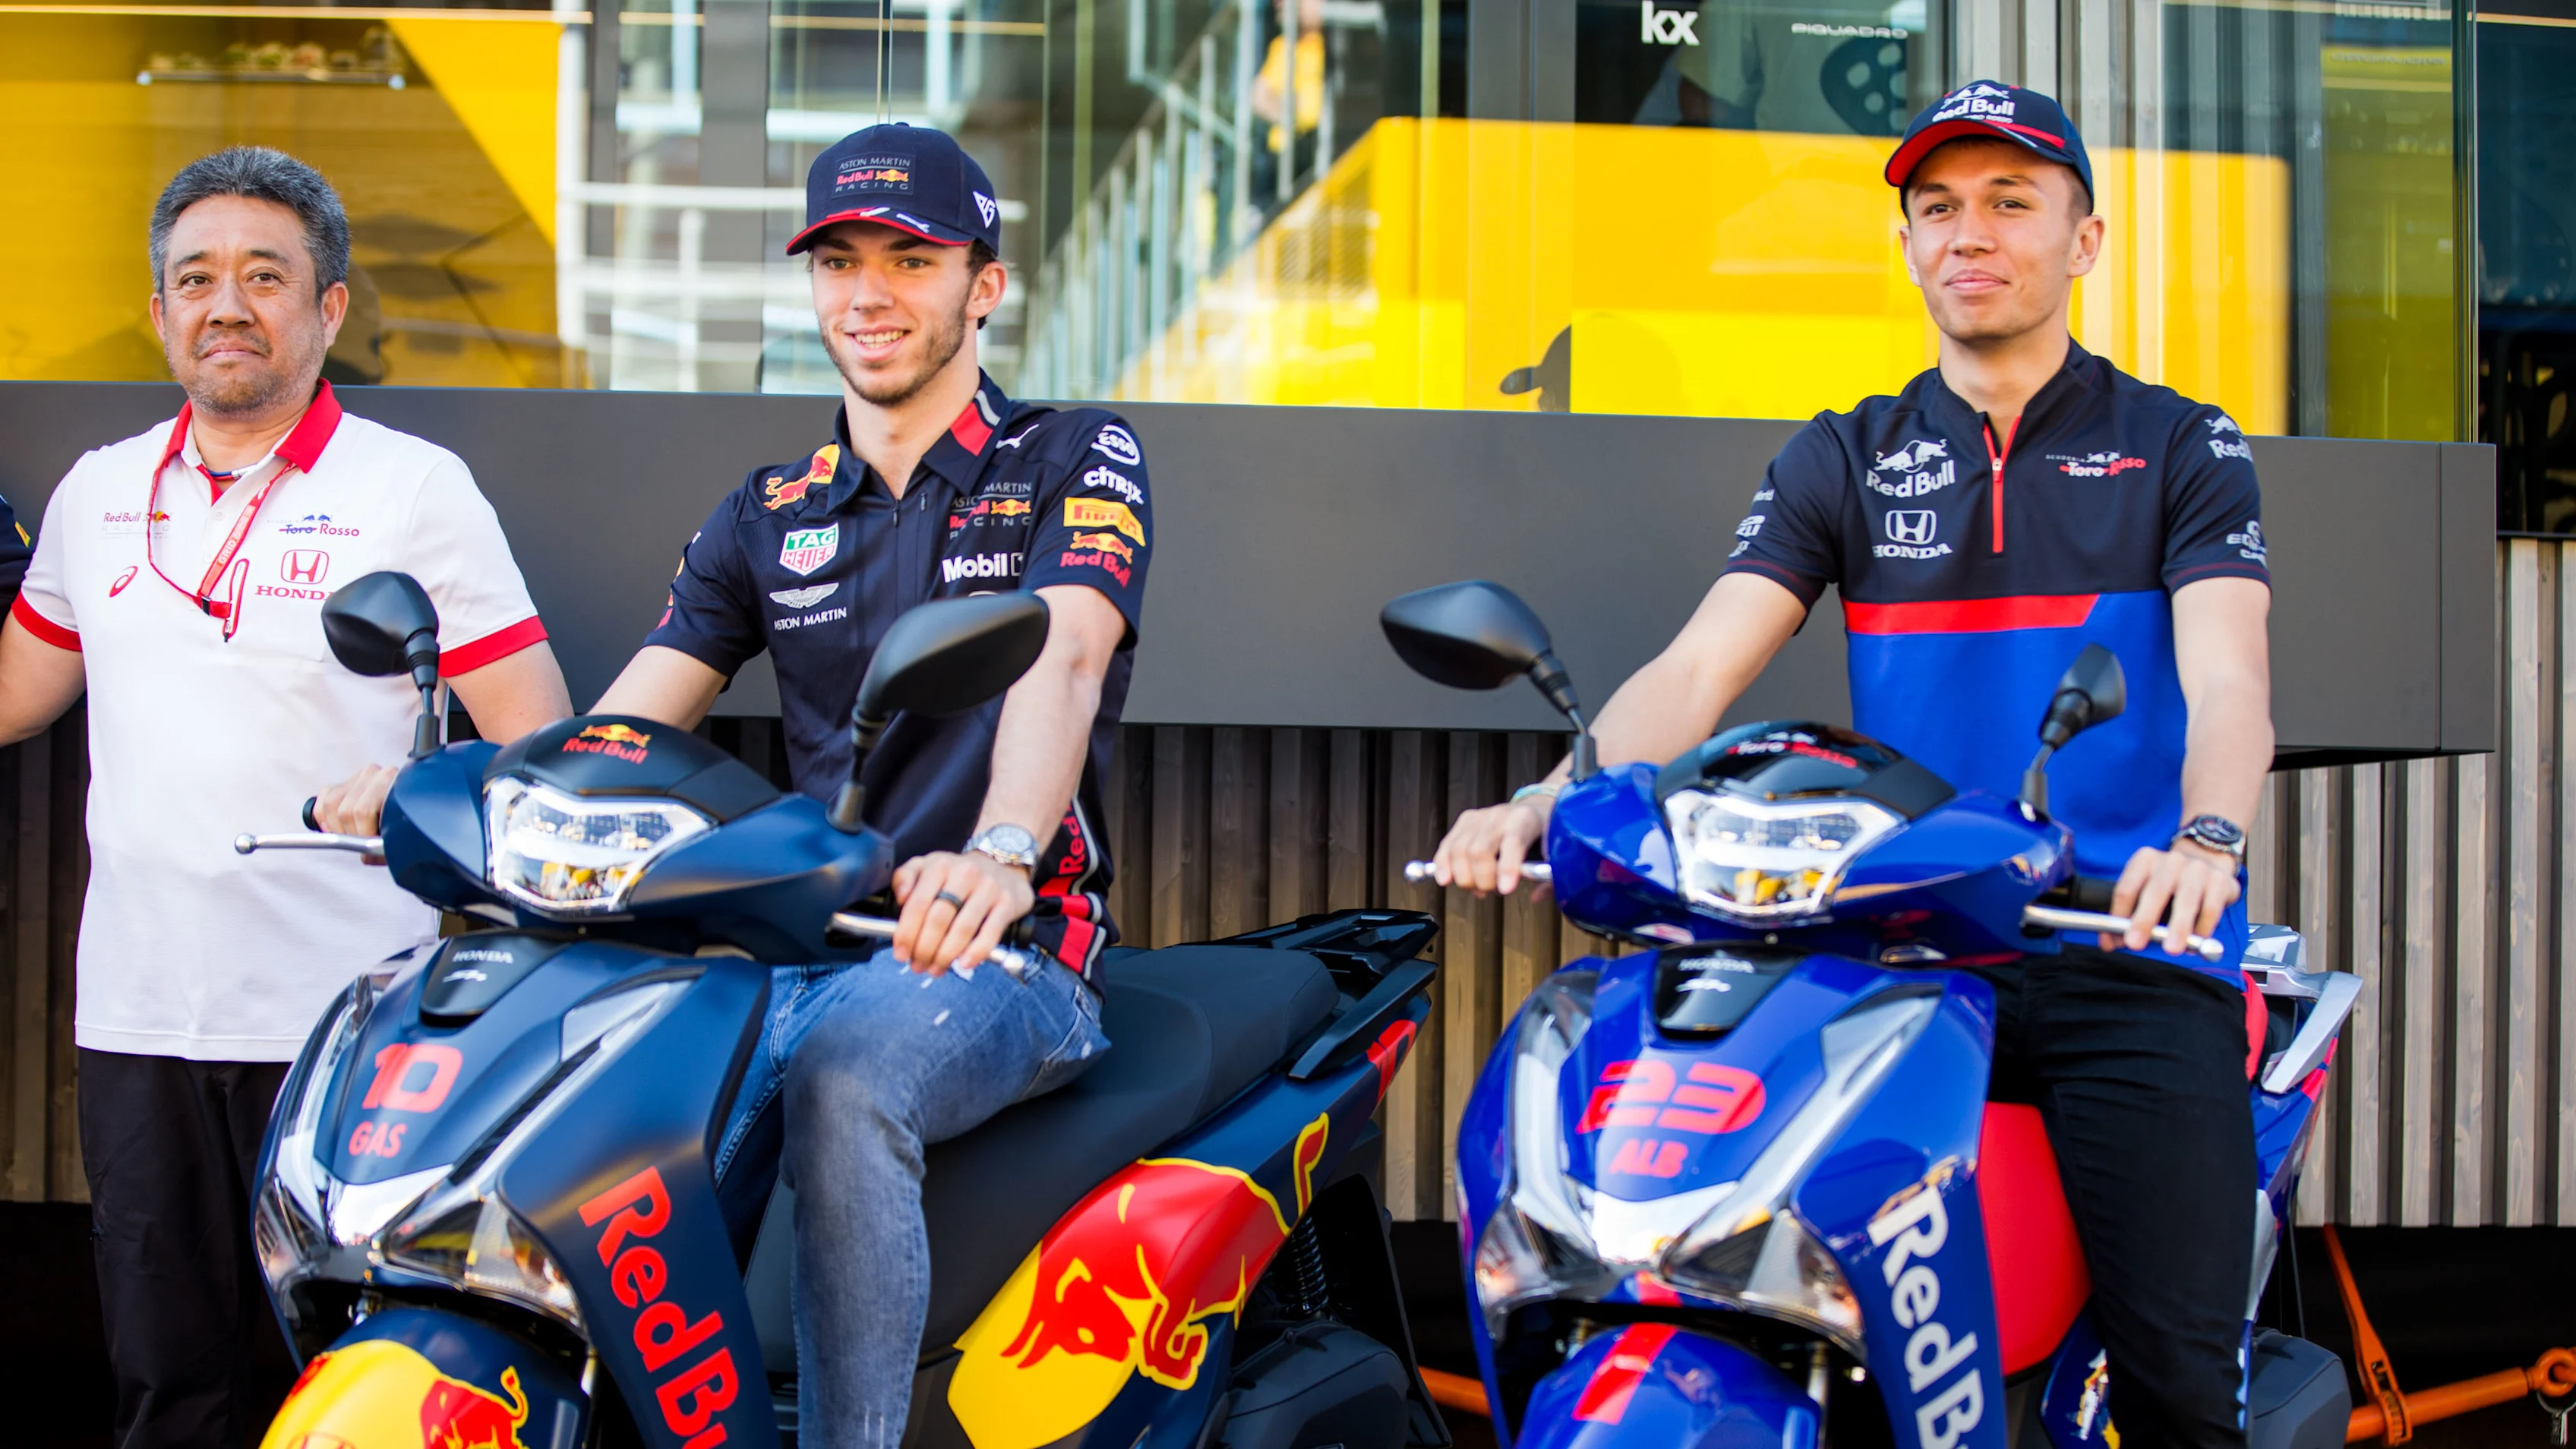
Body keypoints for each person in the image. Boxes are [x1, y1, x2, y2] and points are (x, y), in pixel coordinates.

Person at [1432, 83, 2272, 1448]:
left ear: (2088, 241)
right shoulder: (1850, 455)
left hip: (2113, 941)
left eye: (2011, 203)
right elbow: (1699, 671)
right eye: (1937, 209)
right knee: (1730, 1261)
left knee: (2175, 1384)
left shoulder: (2182, 445)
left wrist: (2211, 841)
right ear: (1907, 245)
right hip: (1899, 948)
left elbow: (2233, 675)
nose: (1969, 235)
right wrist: (1543, 801)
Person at [0, 147, 572, 1449]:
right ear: (158, 313)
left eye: (266, 276)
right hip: (139, 1018)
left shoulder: (412, 492)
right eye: (194, 279)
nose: (227, 306)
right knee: (165, 1377)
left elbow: (539, 740)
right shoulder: (97, 495)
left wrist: (426, 787)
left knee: (338, 1387)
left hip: (349, 1023)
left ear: (329, 308)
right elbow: (14, 696)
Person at [589, 123, 1152, 1446]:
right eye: (840, 260)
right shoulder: (767, 508)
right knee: (602, 1099)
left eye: (911, 257)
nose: (870, 293)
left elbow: (1062, 657)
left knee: (846, 1062)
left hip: (1010, 954)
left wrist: (1003, 852)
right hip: (798, 951)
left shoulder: (1075, 455)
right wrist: (452, 792)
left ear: (984, 285)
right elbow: (624, 725)